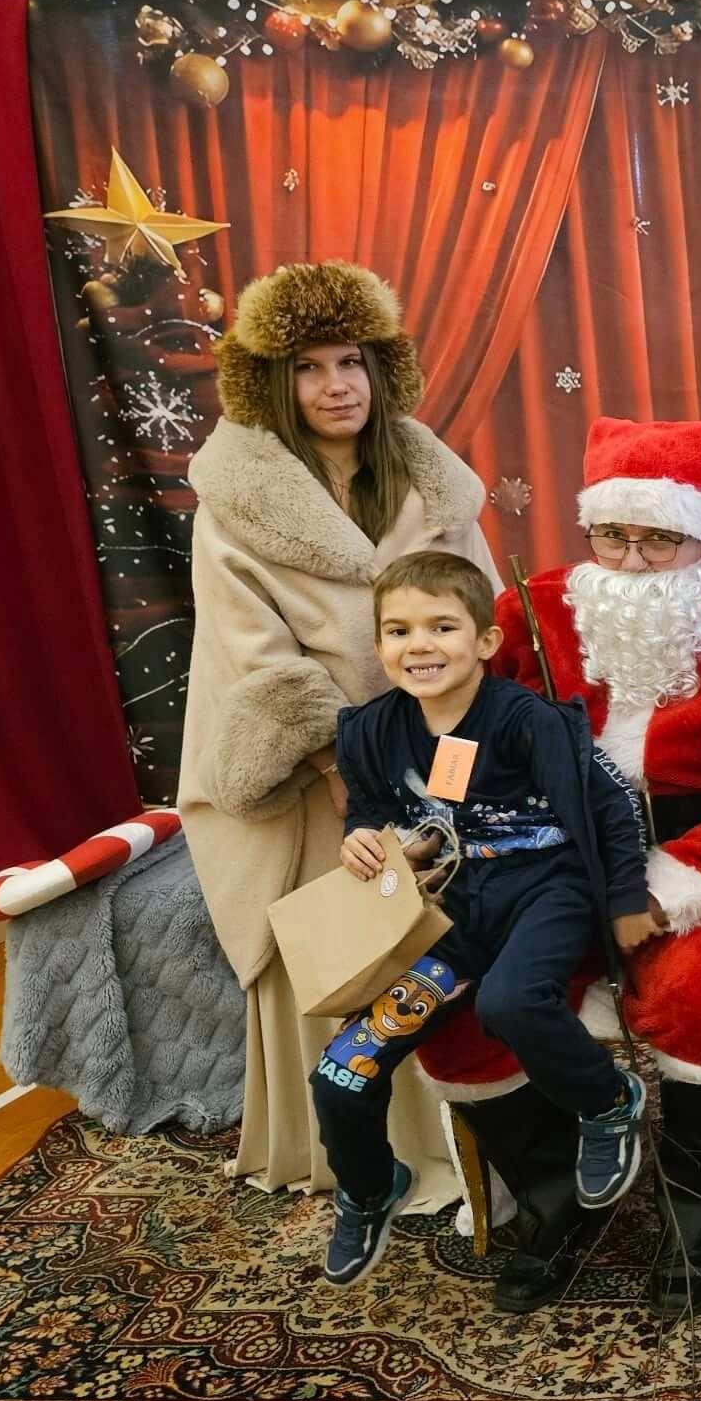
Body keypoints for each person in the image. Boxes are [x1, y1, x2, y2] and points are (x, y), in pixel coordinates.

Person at [413, 416, 701, 1317]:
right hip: (540, 865)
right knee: (454, 998)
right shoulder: (529, 608)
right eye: (612, 535)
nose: (631, 560)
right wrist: (435, 822)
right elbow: (459, 728)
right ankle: (554, 1202)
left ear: (700, 534)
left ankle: (693, 1219)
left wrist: (683, 884)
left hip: (692, 866)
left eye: (658, 539)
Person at [180, 261, 499, 1209]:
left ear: (380, 367)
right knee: (349, 927)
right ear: (273, 382)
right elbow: (253, 654)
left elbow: (480, 607)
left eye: (351, 361)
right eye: (310, 367)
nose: (336, 386)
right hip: (315, 769)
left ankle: (469, 1141)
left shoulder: (427, 475)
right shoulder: (238, 498)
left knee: (448, 921)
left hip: (436, 738)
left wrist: (463, 741)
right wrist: (344, 767)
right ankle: (359, 1151)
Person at [312, 551, 656, 1286]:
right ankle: (370, 1188)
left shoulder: (527, 721)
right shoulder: (370, 731)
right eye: (399, 630)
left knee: (510, 1003)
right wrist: (363, 837)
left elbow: (613, 804)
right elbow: (371, 808)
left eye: (442, 626)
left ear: (486, 640)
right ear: (378, 644)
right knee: (343, 1069)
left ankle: (608, 1101)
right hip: (451, 916)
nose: (420, 645)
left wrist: (627, 899)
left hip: (546, 893)